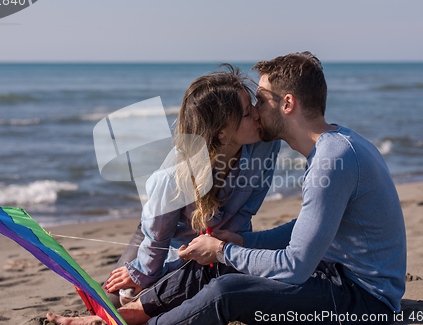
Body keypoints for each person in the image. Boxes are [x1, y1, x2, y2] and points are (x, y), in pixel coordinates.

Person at [144, 52, 407, 324]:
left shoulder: (333, 160)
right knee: (222, 267)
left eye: (260, 100)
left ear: (288, 104)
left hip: (365, 301)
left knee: (227, 292)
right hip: (335, 276)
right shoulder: (335, 145)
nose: (255, 111)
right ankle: (134, 313)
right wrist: (241, 242)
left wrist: (223, 250)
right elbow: (305, 229)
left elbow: (294, 267)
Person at [47, 66, 280, 325]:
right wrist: (144, 273)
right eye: (248, 113)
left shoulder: (265, 145)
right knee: (112, 301)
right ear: (221, 132)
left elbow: (249, 206)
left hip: (221, 239)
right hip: (161, 233)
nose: (258, 115)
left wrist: (227, 239)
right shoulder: (175, 175)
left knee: (196, 285)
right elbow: (157, 239)